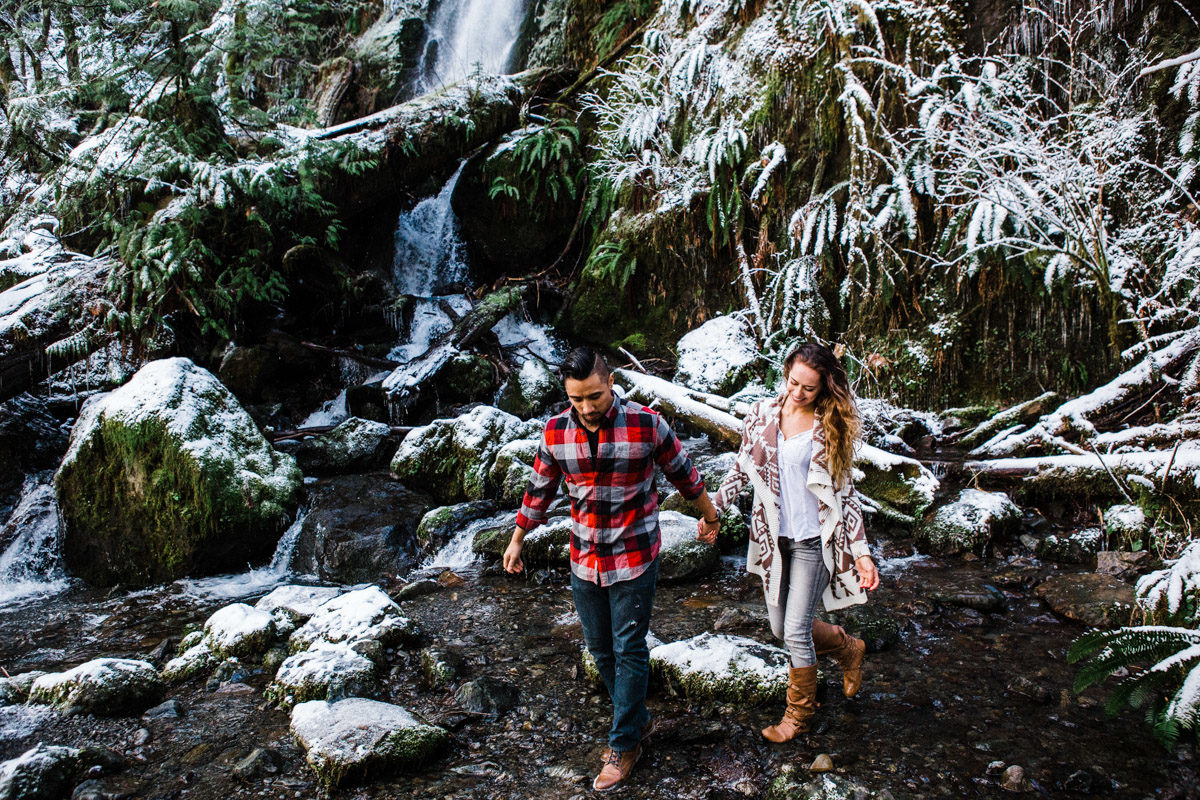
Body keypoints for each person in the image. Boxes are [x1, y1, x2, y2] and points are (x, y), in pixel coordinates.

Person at [503, 346, 721, 791]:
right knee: (599, 649)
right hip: (584, 558)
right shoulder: (555, 432)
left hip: (635, 555)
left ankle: (624, 745)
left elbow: (685, 474)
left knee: (629, 647)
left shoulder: (647, 424)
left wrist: (711, 515)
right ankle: (636, 718)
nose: (586, 408)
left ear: (611, 383)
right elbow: (539, 490)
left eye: (595, 397)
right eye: (576, 399)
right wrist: (517, 538)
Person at [700, 342, 880, 743]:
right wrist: (714, 510)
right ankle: (848, 648)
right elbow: (741, 468)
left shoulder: (829, 427)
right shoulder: (763, 414)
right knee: (781, 629)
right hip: (772, 541)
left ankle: (798, 716)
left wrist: (862, 555)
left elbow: (846, 495)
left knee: (796, 631)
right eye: (792, 382)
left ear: (824, 389)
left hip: (814, 543)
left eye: (808, 388)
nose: (796, 393)